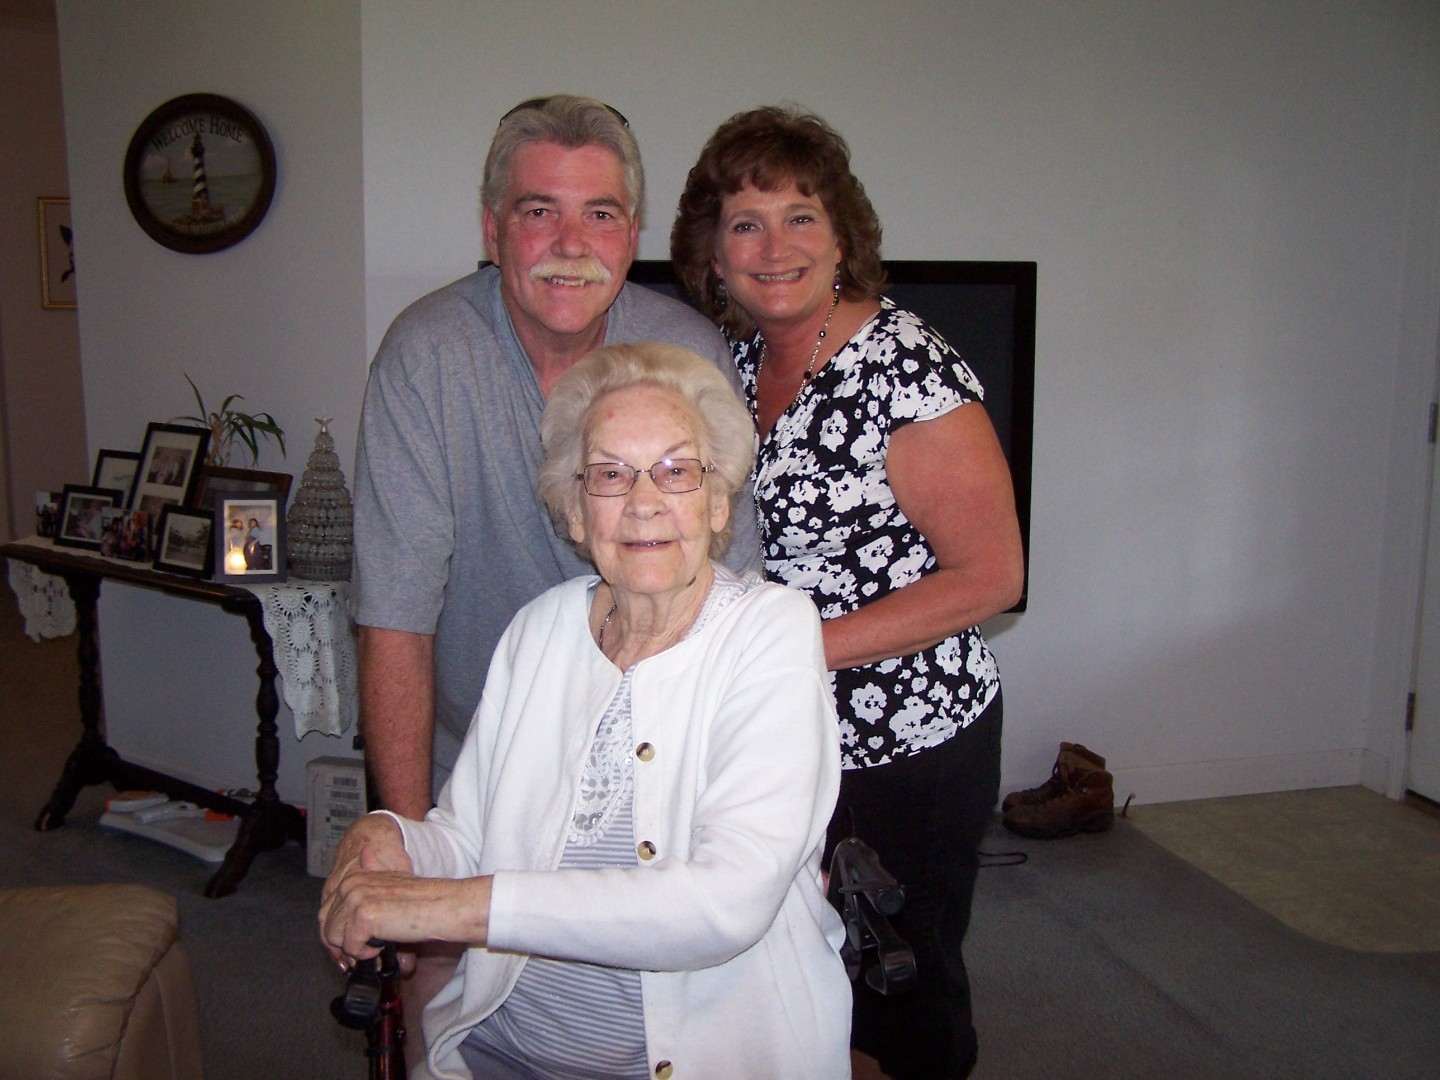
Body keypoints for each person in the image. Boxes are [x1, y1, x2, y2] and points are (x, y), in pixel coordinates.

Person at [351, 94, 762, 1057]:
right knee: (460, 1018)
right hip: (478, 767)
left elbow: (730, 600)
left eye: (601, 213)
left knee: (652, 1014)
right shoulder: (427, 357)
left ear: (633, 233)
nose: (571, 244)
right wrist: (412, 858)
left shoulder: (687, 354)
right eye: (539, 211)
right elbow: (397, 619)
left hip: (655, 759)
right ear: (492, 229)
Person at [322, 342, 849, 1080]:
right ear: (574, 512)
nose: (643, 501)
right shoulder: (539, 629)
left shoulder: (771, 632)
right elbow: (467, 838)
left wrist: (443, 911)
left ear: (718, 501)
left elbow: (725, 901)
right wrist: (394, 840)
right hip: (495, 1047)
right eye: (609, 474)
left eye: (676, 470)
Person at [672, 105, 1026, 1080]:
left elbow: (994, 574)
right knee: (795, 972)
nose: (774, 246)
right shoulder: (737, 363)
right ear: (713, 251)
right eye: (746, 223)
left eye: (801, 216)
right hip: (784, 733)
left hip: (906, 743)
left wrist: (794, 648)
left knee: (898, 986)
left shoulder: (905, 368)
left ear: (842, 237)